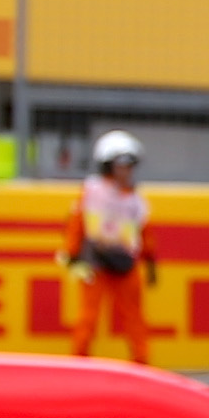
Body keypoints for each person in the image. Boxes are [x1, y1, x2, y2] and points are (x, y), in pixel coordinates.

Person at [65, 132, 156, 365]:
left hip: (125, 263)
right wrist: (72, 252)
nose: (126, 171)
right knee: (88, 316)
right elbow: (77, 221)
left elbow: (143, 231)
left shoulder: (136, 199)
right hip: (95, 262)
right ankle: (78, 362)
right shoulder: (93, 190)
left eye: (130, 166)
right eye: (121, 165)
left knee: (133, 316)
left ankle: (141, 362)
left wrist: (150, 260)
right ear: (108, 166)